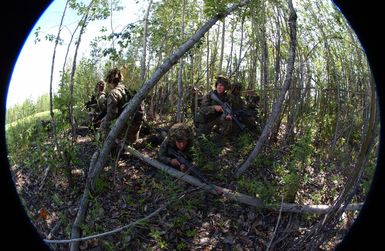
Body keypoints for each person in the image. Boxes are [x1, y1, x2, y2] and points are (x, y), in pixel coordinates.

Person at [99, 67, 145, 145]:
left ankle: (107, 148)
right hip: (136, 126)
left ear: (110, 80)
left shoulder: (113, 93)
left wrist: (102, 121)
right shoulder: (128, 90)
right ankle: (131, 141)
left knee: (103, 123)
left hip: (126, 128)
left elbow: (111, 115)